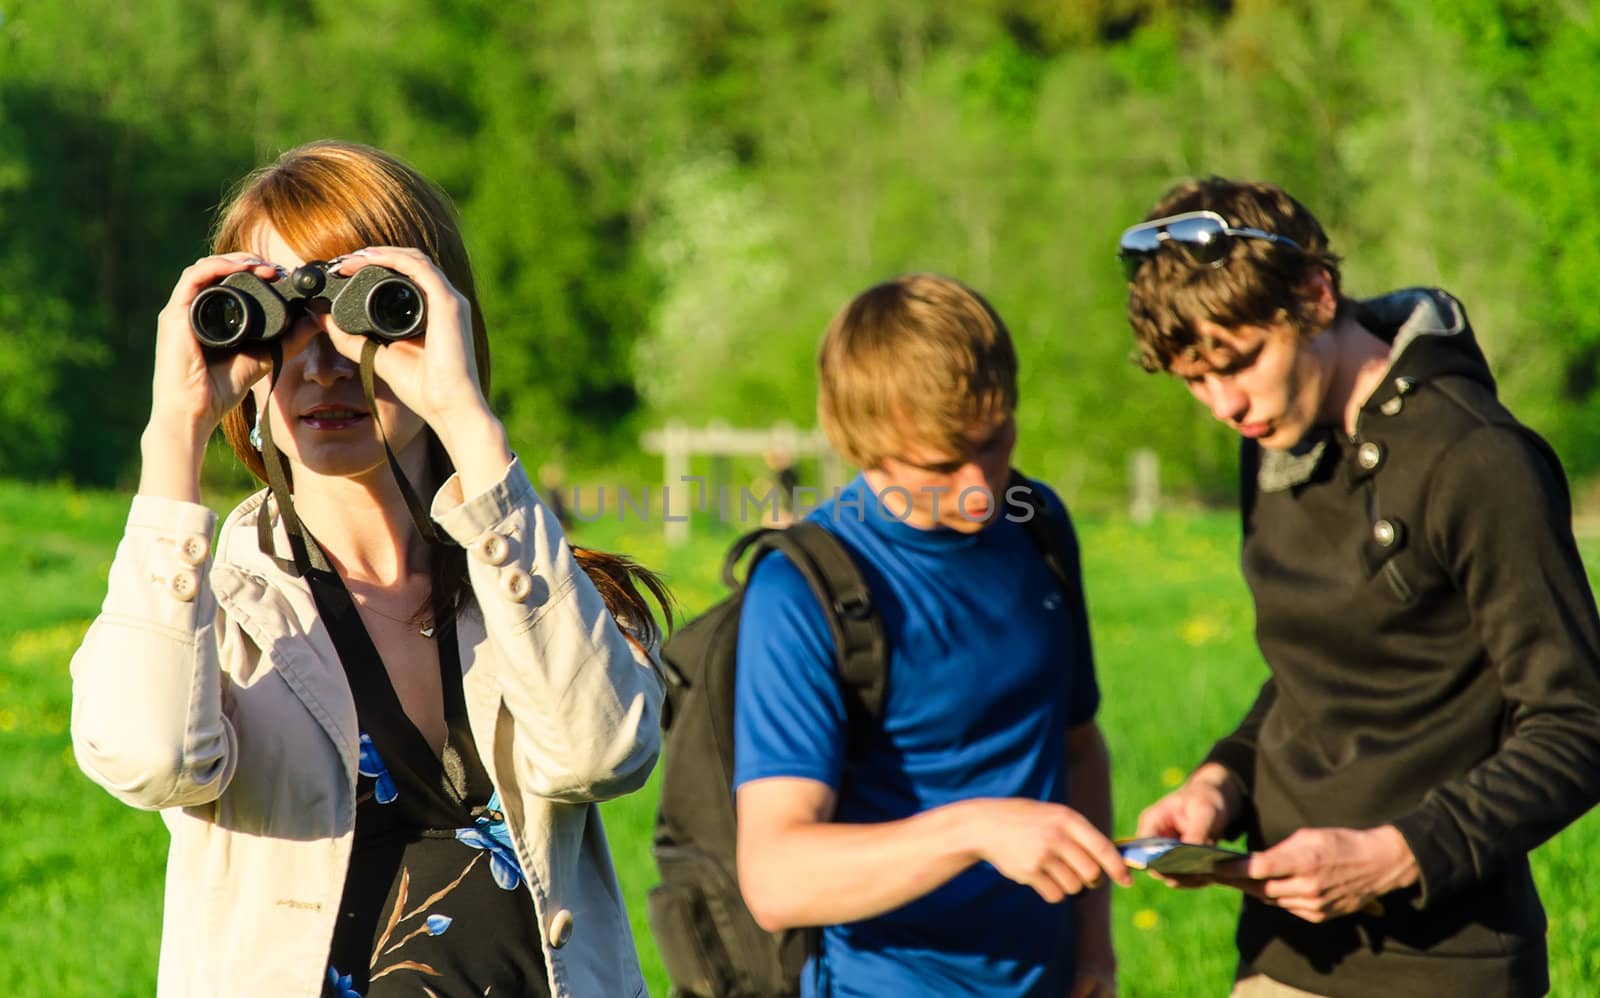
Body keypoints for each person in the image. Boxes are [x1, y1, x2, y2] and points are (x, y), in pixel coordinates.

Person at [69, 140, 669, 998]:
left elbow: (599, 752)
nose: (322, 364)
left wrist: (468, 422)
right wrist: (174, 434)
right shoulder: (218, 600)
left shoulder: (528, 582)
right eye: (276, 313)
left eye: (366, 312)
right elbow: (149, 758)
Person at [1120, 177, 1600, 997]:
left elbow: (1579, 724)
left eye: (1238, 363)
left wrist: (1397, 854)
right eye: (1193, 379)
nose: (1223, 404)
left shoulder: (1479, 460)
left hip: (1446, 966)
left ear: (1314, 294)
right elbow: (1319, 672)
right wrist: (1221, 780)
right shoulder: (1272, 439)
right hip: (1280, 956)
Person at [733, 273, 1128, 998]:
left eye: (996, 439)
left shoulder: (1037, 526)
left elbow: (1078, 749)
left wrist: (1094, 949)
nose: (981, 487)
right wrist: (973, 830)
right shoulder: (801, 592)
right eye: (942, 465)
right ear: (864, 445)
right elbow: (775, 876)